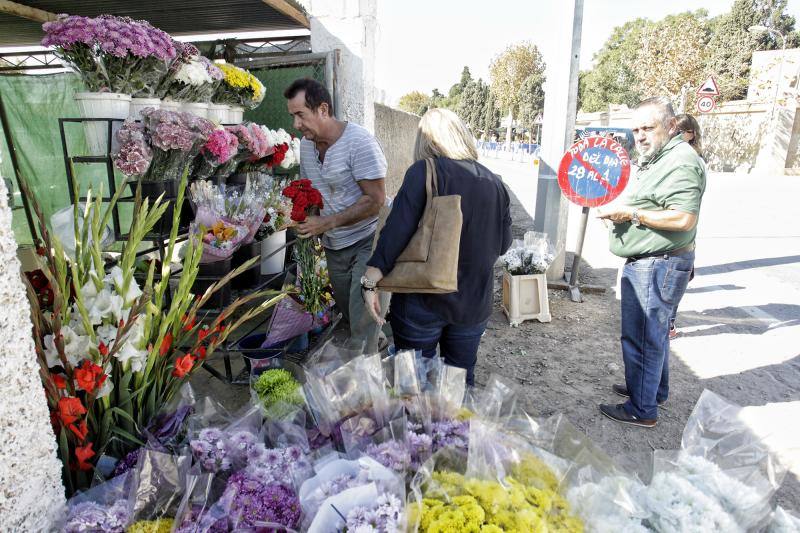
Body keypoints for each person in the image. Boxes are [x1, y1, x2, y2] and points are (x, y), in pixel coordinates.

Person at [361, 108, 512, 386]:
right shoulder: (495, 182)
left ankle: (418, 430)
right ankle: (453, 430)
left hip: (423, 298)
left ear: (426, 140)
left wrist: (371, 279)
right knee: (458, 386)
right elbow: (503, 245)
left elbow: (396, 231)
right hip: (473, 303)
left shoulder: (424, 172)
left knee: (414, 386)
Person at [597, 97, 706, 428]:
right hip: (655, 261)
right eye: (635, 129)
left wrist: (630, 214)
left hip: (657, 264)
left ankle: (641, 409)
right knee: (652, 334)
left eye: (648, 128)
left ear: (672, 126)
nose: (640, 135)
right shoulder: (664, 157)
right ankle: (651, 391)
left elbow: (684, 218)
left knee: (642, 335)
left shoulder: (682, 161)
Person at [284, 78, 389, 353]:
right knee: (350, 310)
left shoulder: (359, 143)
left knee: (362, 312)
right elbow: (309, 192)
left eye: (300, 115)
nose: (296, 124)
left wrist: (325, 222)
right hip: (334, 245)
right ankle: (377, 340)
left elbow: (376, 200)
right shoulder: (307, 146)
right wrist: (304, 220)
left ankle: (364, 383)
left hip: (368, 241)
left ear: (322, 109)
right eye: (292, 116)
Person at [668, 113, 704, 339]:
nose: (678, 135)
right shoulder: (668, 157)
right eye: (675, 131)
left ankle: (669, 324)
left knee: (671, 287)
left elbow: (686, 215)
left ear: (692, 134)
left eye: (683, 131)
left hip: (680, 238)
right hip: (673, 237)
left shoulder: (692, 162)